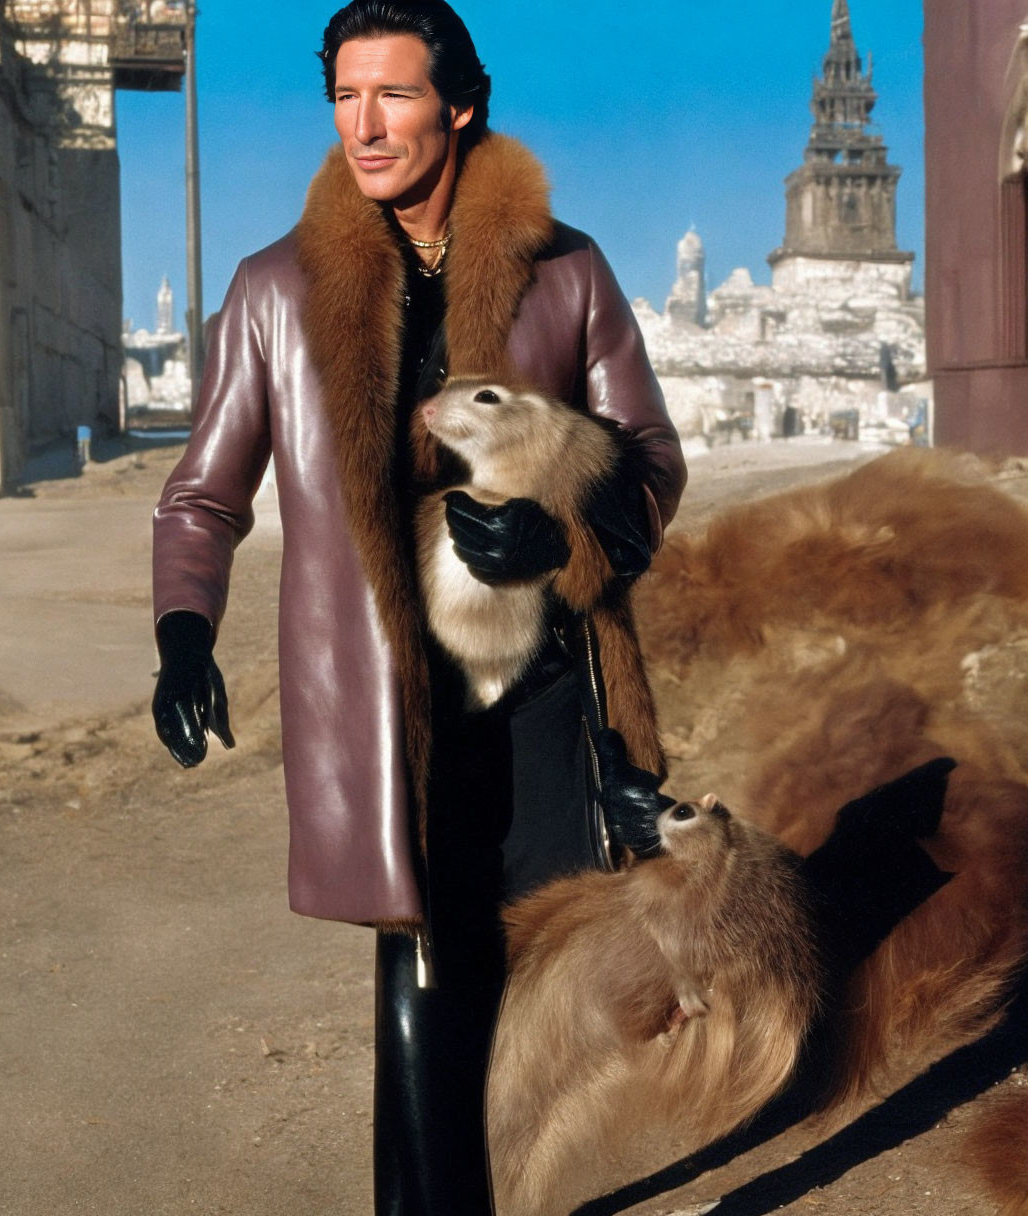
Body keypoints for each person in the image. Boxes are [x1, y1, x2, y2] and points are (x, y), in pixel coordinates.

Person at [150, 3, 686, 1211]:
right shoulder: (275, 291)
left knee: (521, 978)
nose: (365, 124)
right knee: (429, 966)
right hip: (387, 699)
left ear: (460, 103)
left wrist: (567, 529)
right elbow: (200, 498)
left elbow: (651, 457)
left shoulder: (567, 269)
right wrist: (184, 630)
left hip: (548, 688)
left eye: (392, 94)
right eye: (344, 96)